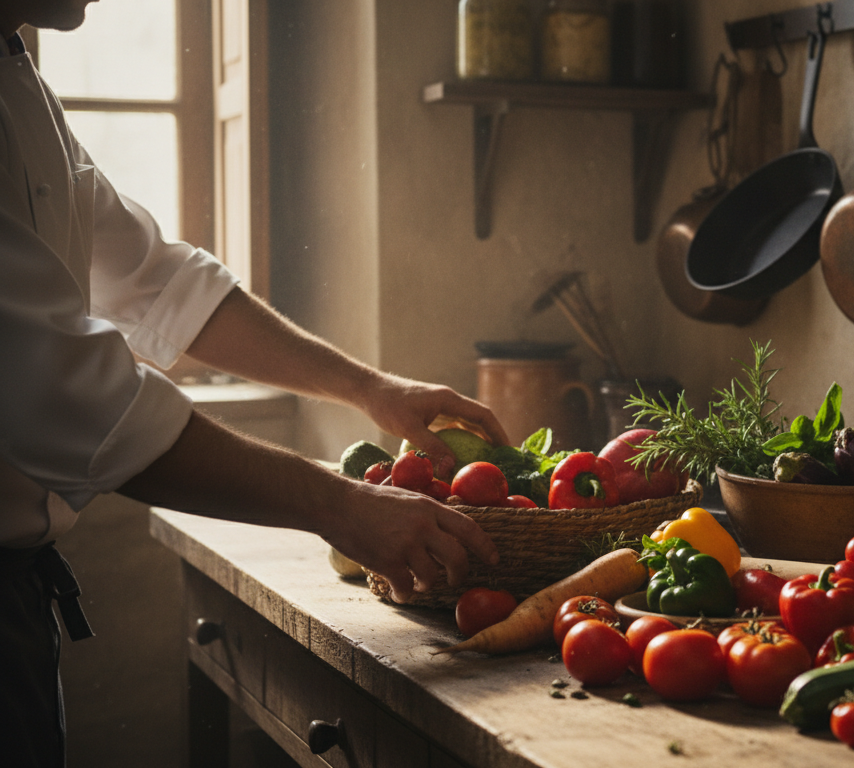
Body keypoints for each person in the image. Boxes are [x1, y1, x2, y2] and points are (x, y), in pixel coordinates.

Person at [0, 2, 507, 765]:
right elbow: (57, 389)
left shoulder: (18, 71)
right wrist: (340, 505)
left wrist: (374, 389)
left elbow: (155, 280)